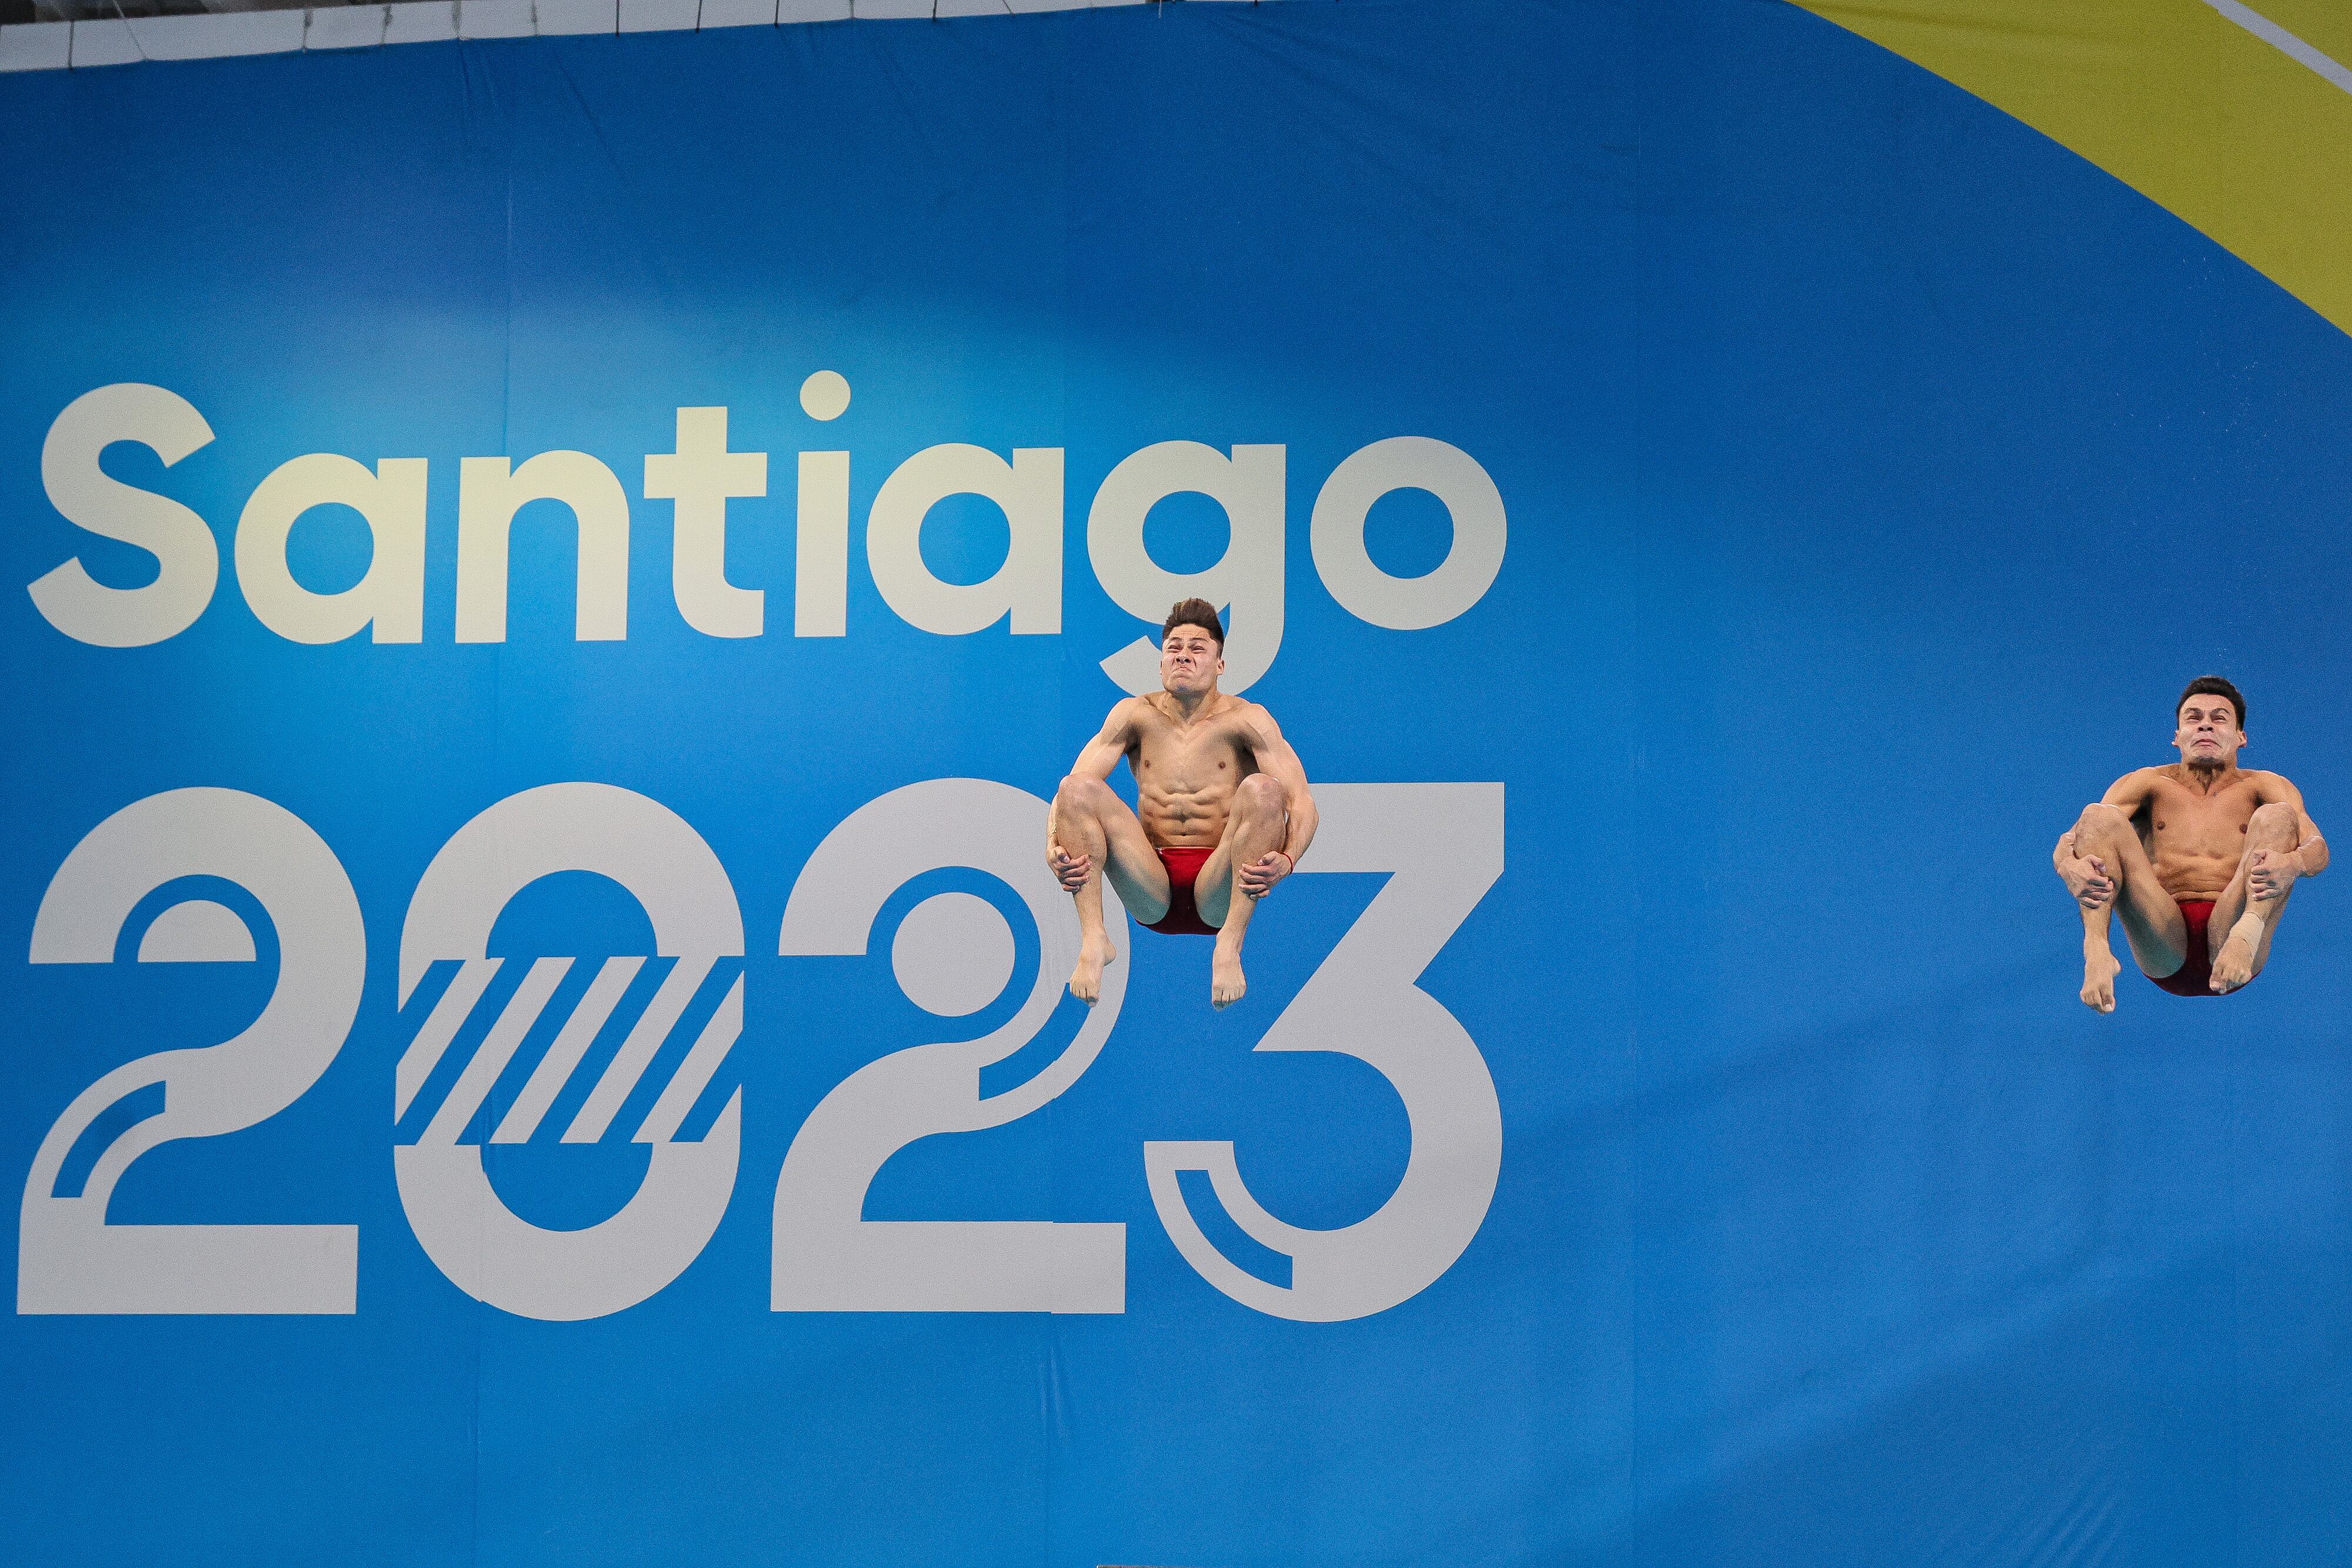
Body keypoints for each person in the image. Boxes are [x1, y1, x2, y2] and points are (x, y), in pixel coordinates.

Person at [1047, 598, 1318, 1009]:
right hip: (1149, 880)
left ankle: (1229, 945)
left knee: (1265, 790)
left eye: (1197, 648)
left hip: (1222, 883)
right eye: (1174, 648)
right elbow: (1065, 799)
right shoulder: (1134, 715)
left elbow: (1302, 803)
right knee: (1076, 787)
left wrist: (1289, 858)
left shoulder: (1247, 720)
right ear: (1161, 662)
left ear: (1220, 664)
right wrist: (1052, 845)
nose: (1183, 656)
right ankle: (1094, 939)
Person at [2055, 676, 2326, 1009]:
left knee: (2278, 815)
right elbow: (2076, 837)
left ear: (2241, 737)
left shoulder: (2266, 785)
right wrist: (2068, 867)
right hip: (2161, 936)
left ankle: (2248, 931)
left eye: (2219, 719)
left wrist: (2293, 864)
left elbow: (2317, 849)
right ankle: (2096, 949)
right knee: (2098, 816)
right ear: (2177, 736)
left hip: (2234, 925)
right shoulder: (2148, 783)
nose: (2205, 726)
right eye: (2194, 718)